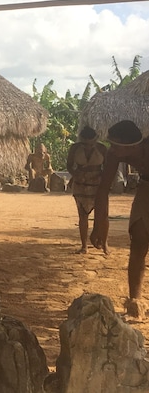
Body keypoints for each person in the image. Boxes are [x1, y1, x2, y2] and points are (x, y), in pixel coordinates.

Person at [91, 120, 149, 318]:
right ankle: (135, 302)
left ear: (132, 145)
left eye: (115, 145)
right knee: (139, 240)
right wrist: (100, 224)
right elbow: (103, 189)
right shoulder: (114, 154)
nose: (111, 149)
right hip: (145, 187)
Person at [66, 126, 107, 254]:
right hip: (80, 184)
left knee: (102, 215)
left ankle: (104, 243)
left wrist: (106, 184)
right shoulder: (74, 148)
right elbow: (69, 165)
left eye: (91, 144)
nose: (88, 146)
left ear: (95, 140)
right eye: (85, 144)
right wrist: (75, 174)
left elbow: (109, 167)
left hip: (98, 184)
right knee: (82, 215)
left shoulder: (102, 148)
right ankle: (84, 246)